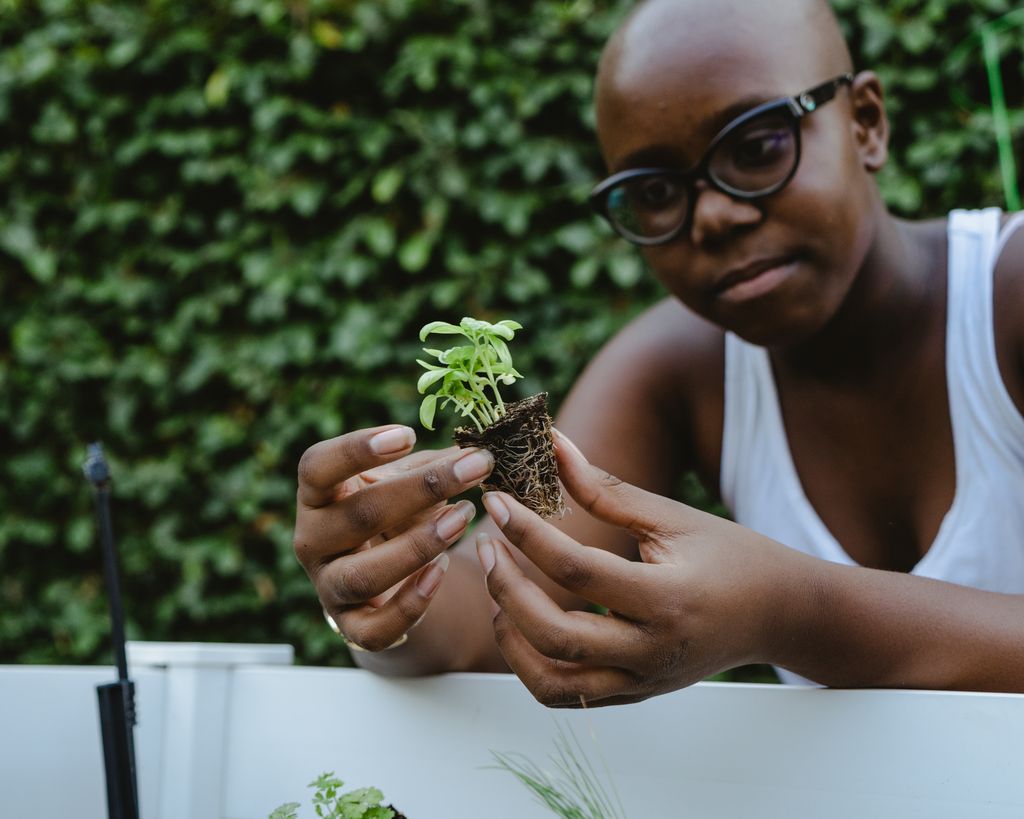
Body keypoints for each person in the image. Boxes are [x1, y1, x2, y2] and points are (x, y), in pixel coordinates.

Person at [292, 0, 1024, 703]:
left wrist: (792, 611)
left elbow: (791, 611)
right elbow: (501, 614)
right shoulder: (675, 366)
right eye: (653, 193)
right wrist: (391, 593)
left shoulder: (1009, 294)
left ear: (866, 122)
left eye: (759, 144)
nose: (712, 215)